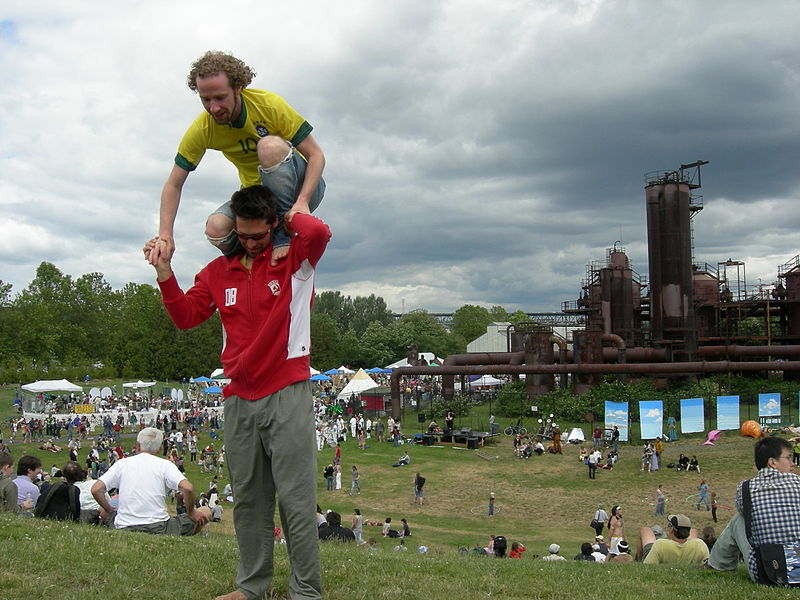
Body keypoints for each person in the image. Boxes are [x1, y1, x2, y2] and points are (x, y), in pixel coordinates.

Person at [145, 184, 330, 600]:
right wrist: (164, 273)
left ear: (274, 226)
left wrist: (290, 219)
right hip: (238, 398)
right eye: (242, 236)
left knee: (297, 501)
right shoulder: (216, 271)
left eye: (258, 236)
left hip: (288, 390)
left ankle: (306, 591)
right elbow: (186, 316)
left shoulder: (294, 259)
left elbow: (317, 232)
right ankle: (251, 588)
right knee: (248, 500)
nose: (249, 244)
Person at [151, 51, 326, 268]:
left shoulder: (268, 106)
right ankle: (251, 264)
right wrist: (165, 234)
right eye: (206, 99)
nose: (213, 108)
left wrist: (302, 202)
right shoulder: (204, 128)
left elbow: (316, 154)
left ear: (238, 88)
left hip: (300, 189)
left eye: (220, 97)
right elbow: (173, 184)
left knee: (268, 147)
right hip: (258, 198)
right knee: (215, 228)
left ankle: (282, 236)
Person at [707, 436, 800, 584]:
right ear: (772, 462)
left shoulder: (745, 488)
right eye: (788, 458)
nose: (793, 463)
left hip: (766, 573)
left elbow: (745, 513)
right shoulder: (797, 483)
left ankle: (717, 565)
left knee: (738, 520)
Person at [91, 428, 210, 535]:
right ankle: (186, 535)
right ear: (160, 448)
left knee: (103, 509)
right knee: (206, 511)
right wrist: (191, 512)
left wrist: (109, 510)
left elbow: (96, 489)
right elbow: (188, 488)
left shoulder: (122, 464)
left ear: (138, 445)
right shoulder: (165, 465)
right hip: (159, 527)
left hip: (124, 526)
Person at [641, 514, 709, 565]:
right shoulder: (700, 545)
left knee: (645, 530)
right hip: (689, 551)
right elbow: (707, 564)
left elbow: (648, 565)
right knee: (694, 531)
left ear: (672, 530)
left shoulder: (660, 544)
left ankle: (638, 560)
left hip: (656, 553)